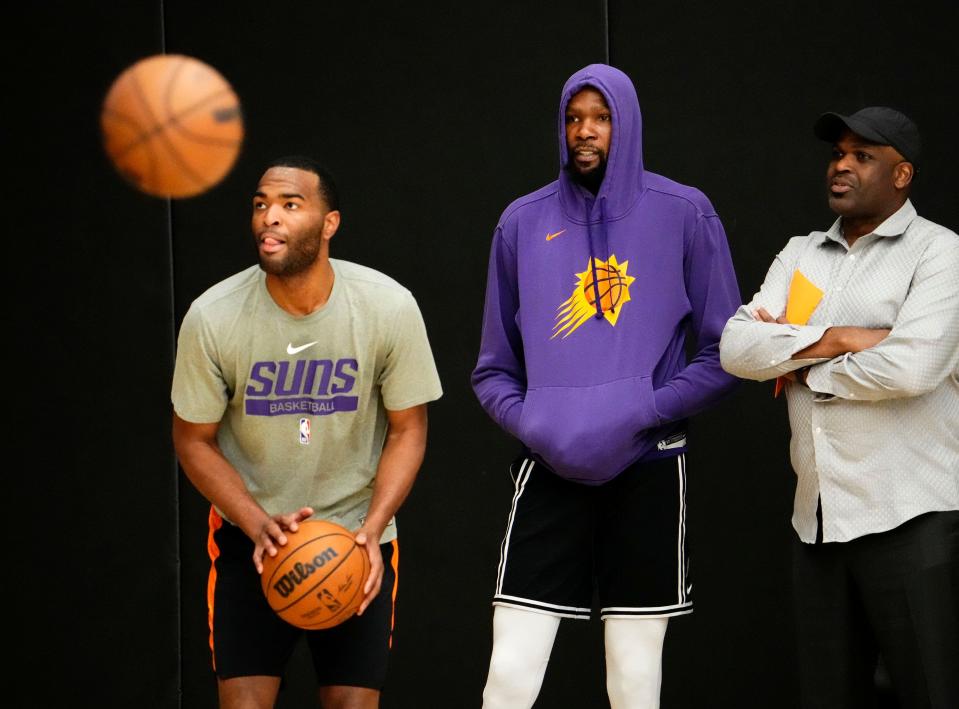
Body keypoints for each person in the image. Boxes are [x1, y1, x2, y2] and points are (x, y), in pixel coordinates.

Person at [471, 64, 741, 708]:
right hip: (547, 468)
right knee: (509, 672)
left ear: (627, 124)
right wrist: (535, 421)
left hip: (648, 465)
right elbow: (491, 368)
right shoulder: (521, 222)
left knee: (634, 679)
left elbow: (727, 350)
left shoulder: (684, 212)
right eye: (573, 118)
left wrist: (647, 409)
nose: (583, 132)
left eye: (600, 118)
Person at [171, 155, 442, 709]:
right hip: (250, 542)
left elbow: (408, 430)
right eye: (261, 205)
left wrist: (372, 528)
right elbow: (191, 439)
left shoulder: (388, 307)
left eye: (290, 205)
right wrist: (256, 523)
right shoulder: (213, 316)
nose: (269, 217)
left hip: (353, 545)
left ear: (329, 224)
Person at [719, 106, 959, 709]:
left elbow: (913, 366)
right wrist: (846, 337)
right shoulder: (801, 252)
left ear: (901, 176)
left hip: (911, 515)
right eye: (837, 154)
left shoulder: (940, 253)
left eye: (862, 156)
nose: (842, 167)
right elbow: (736, 348)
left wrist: (800, 364)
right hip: (819, 521)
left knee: (931, 690)